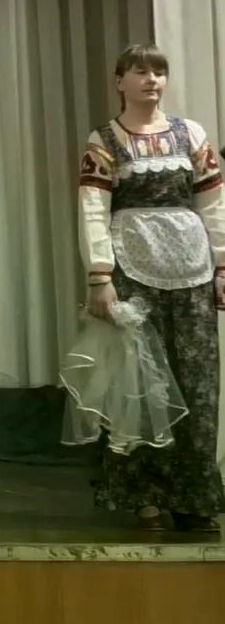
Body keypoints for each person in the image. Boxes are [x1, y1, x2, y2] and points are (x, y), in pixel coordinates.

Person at [78, 43, 225, 533]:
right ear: (120, 81)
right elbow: (93, 209)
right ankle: (145, 496)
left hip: (192, 272)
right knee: (141, 382)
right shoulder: (104, 140)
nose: (151, 80)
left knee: (197, 382)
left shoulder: (191, 134)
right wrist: (100, 275)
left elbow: (214, 202)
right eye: (140, 72)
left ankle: (195, 497)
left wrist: (222, 266)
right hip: (133, 270)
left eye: (159, 72)